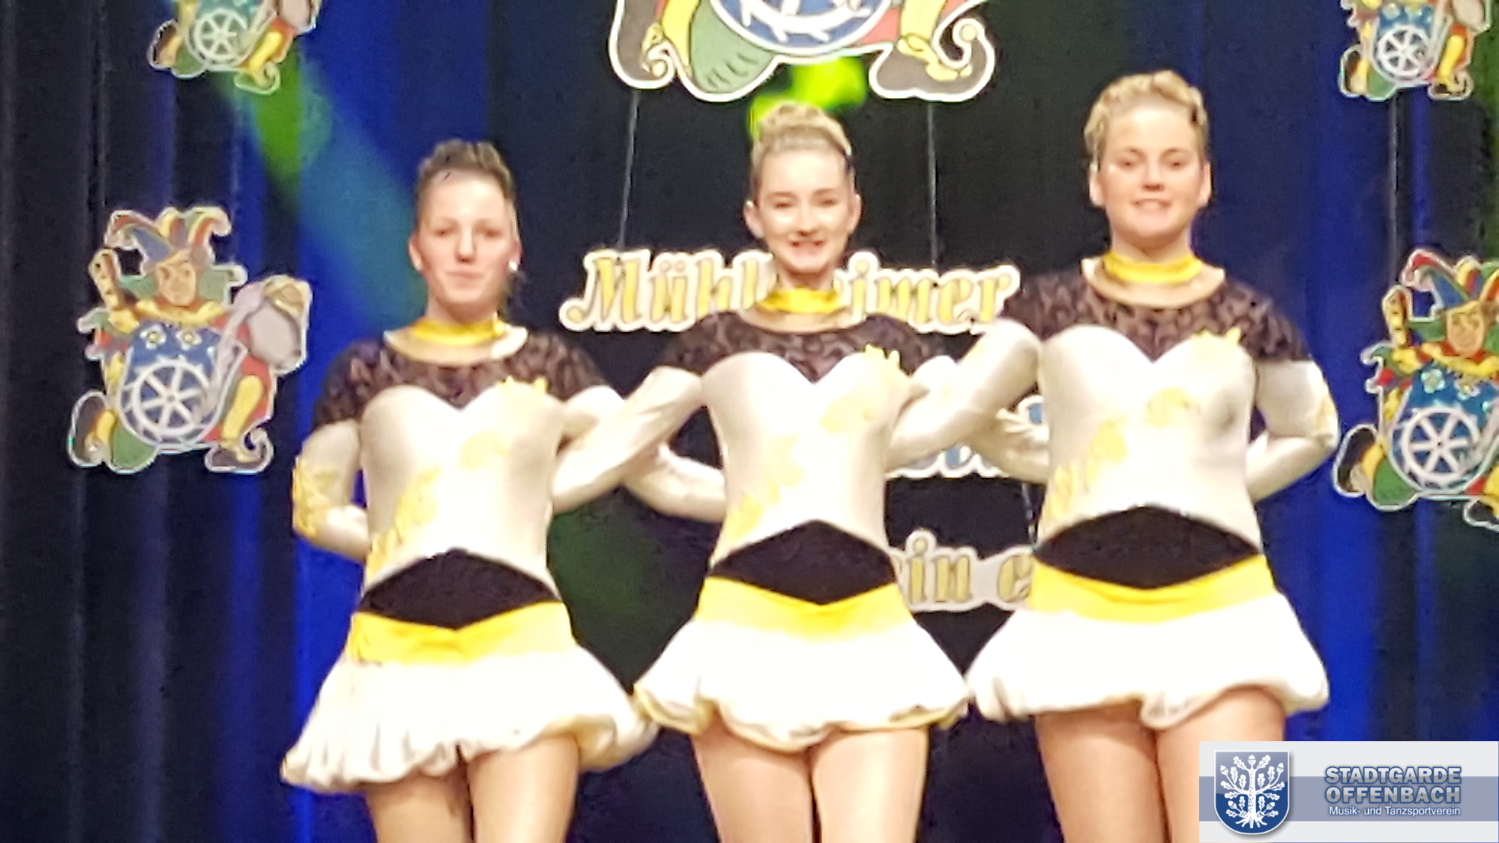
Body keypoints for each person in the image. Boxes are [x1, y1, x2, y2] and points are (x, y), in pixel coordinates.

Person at [553, 102, 1030, 843]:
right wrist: (489, 502)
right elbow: (617, 449)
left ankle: (1241, 819)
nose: (805, 221)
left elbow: (996, 432)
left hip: (871, 635)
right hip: (743, 634)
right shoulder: (713, 342)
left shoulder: (896, 343)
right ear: (754, 215)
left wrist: (1108, 458)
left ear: (852, 210)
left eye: (823, 201)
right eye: (784, 203)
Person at [282, 139, 723, 843]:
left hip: (523, 653)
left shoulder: (552, 366)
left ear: (513, 250)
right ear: (417, 248)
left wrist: (767, 498)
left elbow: (658, 472)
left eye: (486, 233)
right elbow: (315, 508)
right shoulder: (363, 372)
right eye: (446, 231)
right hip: (395, 658)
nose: (465, 250)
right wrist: (399, 537)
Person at [958, 71, 1339, 843]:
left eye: (1172, 160)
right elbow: (965, 413)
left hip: (1224, 619)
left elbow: (1310, 430)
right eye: (1129, 161)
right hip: (1079, 619)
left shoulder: (1249, 317)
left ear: (1204, 181)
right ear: (1096, 182)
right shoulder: (1044, 309)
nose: (1152, 178)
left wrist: (1215, 487)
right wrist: (1075, 470)